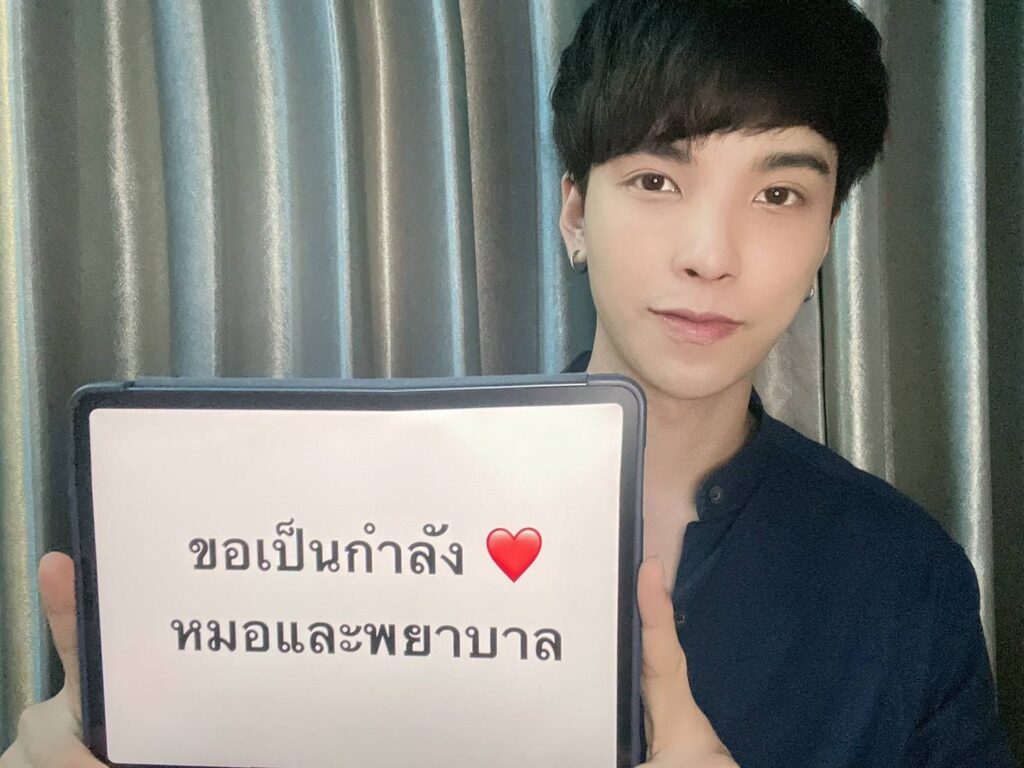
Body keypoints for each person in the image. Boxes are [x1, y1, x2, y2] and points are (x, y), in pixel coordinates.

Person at [1, 1, 1015, 767]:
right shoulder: (355, 526)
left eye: (780, 192)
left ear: (828, 232)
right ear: (575, 213)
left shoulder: (903, 580)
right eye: (655, 180)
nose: (710, 254)